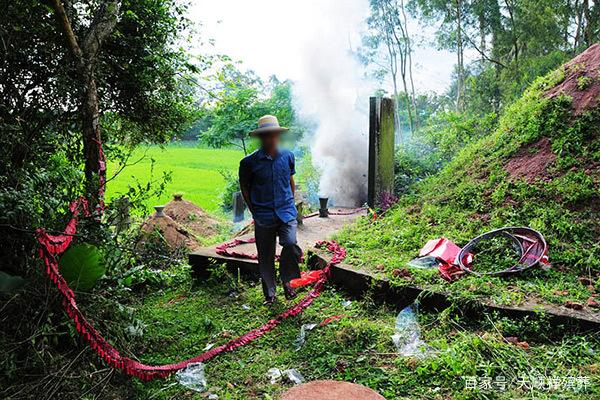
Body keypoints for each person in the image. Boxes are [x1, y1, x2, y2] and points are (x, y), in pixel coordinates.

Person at [239, 115, 302, 305]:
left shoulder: (288, 156)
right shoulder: (248, 163)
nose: (270, 139)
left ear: (278, 136)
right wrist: (254, 210)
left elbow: (290, 181)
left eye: (273, 135)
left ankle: (289, 283)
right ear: (261, 137)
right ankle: (270, 294)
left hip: (286, 212)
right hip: (263, 214)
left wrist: (290, 202)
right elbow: (245, 187)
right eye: (266, 135)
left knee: (290, 244)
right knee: (265, 255)